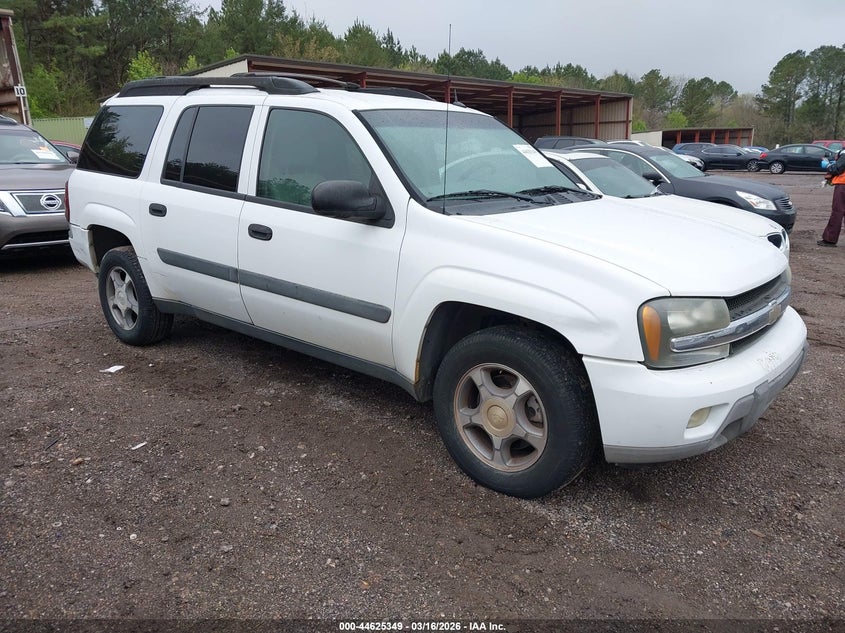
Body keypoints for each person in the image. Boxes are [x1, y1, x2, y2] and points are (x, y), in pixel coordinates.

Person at [819, 150, 845, 247]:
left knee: (837, 212)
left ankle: (830, 239)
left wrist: (828, 165)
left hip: (843, 186)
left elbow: (836, 169)